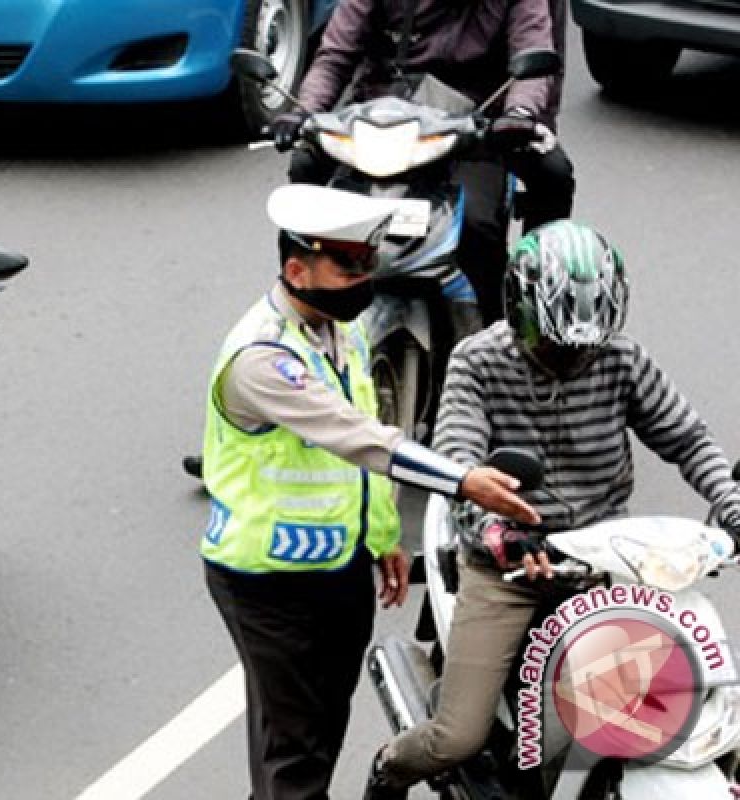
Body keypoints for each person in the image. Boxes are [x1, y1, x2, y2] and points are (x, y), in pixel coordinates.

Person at [363, 220, 740, 799]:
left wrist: (731, 503)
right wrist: (498, 533)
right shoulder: (477, 362)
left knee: (705, 702)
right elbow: (461, 466)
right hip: (511, 569)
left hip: (611, 563)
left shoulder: (621, 359)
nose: (574, 360)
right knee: (458, 737)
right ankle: (388, 772)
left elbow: (688, 440)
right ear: (519, 314)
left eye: (587, 347)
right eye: (557, 347)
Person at [200, 183, 541, 800]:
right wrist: (464, 480)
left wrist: (384, 537)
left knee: (317, 732)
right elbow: (360, 437)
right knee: (295, 751)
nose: (365, 277)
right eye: (348, 265)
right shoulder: (262, 359)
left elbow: (361, 452)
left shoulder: (341, 329)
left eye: (367, 262)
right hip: (267, 582)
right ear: (296, 268)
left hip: (338, 569)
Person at [269, 0, 576, 323]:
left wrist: (519, 114)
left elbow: (532, 52)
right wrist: (303, 112)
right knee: (305, 163)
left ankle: (520, 318)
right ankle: (298, 304)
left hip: (477, 124)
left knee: (506, 205)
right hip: (383, 118)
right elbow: (335, 56)